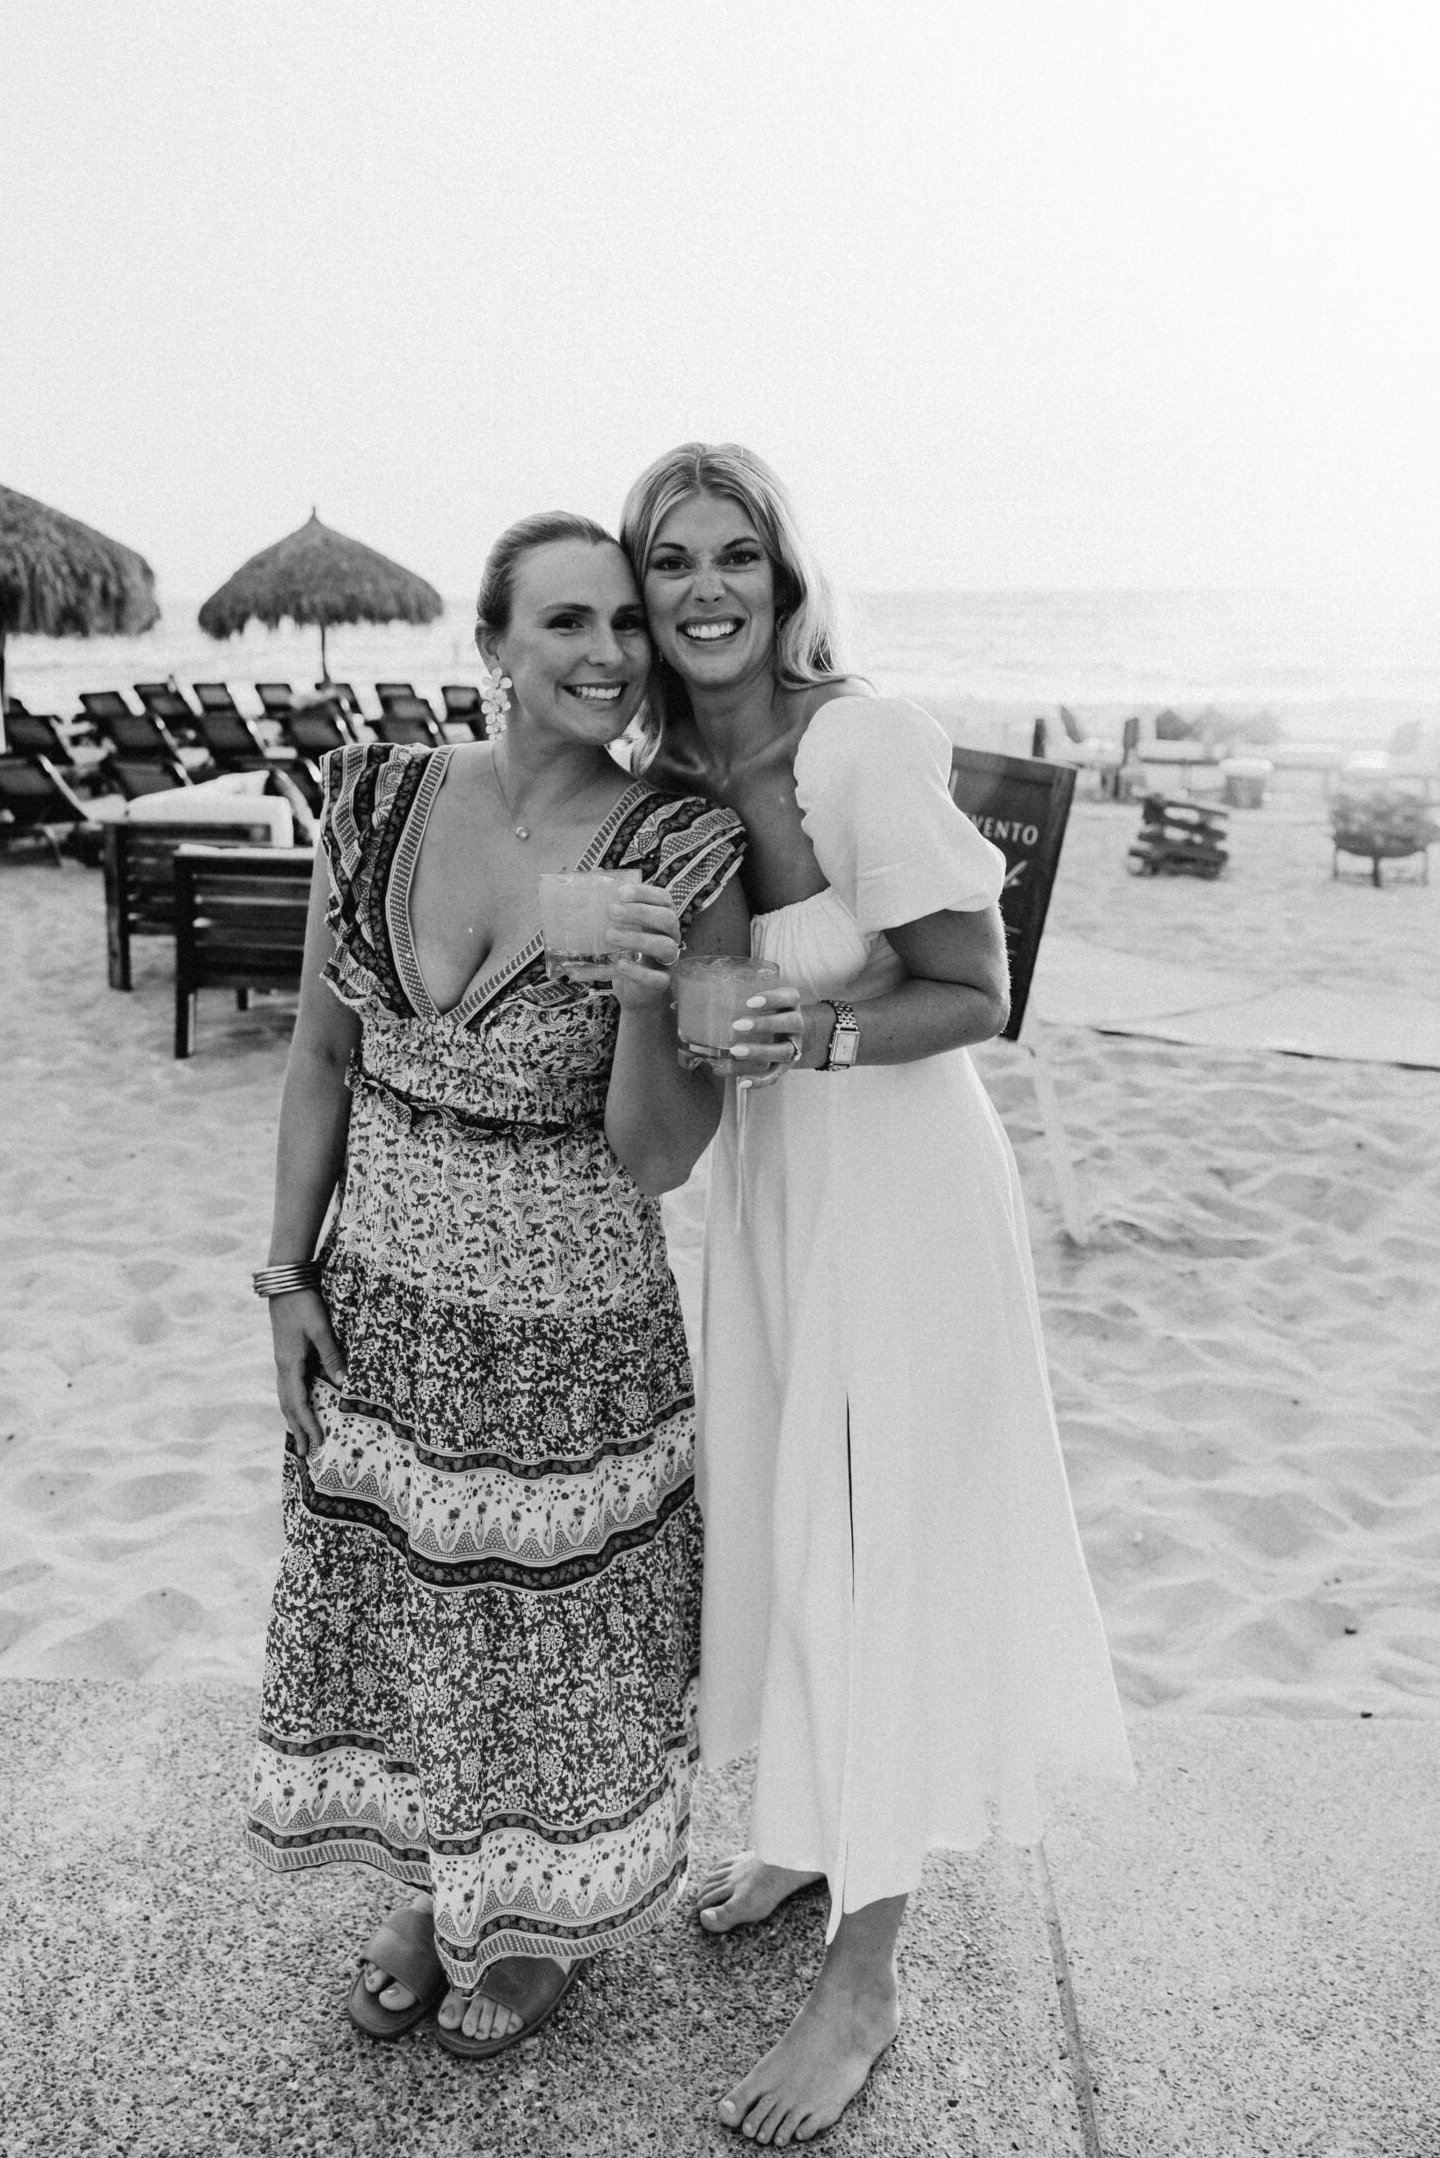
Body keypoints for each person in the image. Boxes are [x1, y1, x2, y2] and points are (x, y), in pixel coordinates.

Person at [621, 444, 1132, 2146]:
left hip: (904, 1189)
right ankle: (808, 1829)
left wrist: (826, 1033)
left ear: (783, 579)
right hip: (779, 1195)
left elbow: (978, 987)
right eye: (672, 560)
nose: (706, 588)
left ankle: (867, 1974)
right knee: (789, 1515)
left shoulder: (860, 744)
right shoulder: (670, 778)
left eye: (735, 556)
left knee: (879, 1535)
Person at [245, 511, 748, 2060]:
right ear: (493, 647)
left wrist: (650, 1003)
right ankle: (426, 1892)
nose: (608, 652)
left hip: (570, 1326)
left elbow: (662, 1155)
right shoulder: (372, 796)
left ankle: (536, 1922)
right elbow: (320, 1054)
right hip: (386, 1300)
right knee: (410, 1617)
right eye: (567, 623)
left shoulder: (687, 848)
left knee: (550, 1647)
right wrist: (286, 1275)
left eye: (627, 623)